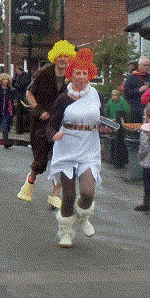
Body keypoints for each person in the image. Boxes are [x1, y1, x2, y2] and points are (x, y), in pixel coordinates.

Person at [47, 48, 102, 247]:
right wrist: (53, 135)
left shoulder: (95, 95)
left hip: (89, 148)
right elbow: (52, 124)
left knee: (87, 193)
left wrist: (104, 127)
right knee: (68, 196)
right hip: (67, 148)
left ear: (90, 75)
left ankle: (83, 216)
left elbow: (100, 118)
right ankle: (66, 232)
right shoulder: (63, 98)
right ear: (71, 74)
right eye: (77, 73)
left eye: (85, 73)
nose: (81, 77)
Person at [18, 41, 75, 207]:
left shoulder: (72, 77)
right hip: (42, 124)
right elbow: (29, 92)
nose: (63, 59)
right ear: (54, 57)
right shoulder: (44, 73)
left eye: (66, 56)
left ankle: (55, 195)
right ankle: (31, 178)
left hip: (62, 124)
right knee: (41, 160)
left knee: (60, 160)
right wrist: (38, 110)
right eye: (60, 56)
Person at [122, 57, 150, 123]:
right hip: (136, 109)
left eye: (148, 65)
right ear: (139, 66)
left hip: (148, 108)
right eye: (145, 65)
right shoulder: (132, 77)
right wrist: (138, 90)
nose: (147, 67)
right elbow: (126, 93)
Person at [0, 72, 17, 148]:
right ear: (1, 80)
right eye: (4, 79)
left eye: (7, 79)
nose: (5, 81)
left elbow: (12, 100)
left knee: (5, 126)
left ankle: (5, 142)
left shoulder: (10, 89)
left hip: (6, 111)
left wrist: (12, 111)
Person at [11, 65, 32, 134]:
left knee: (25, 112)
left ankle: (25, 127)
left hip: (23, 96)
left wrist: (16, 84)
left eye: (17, 71)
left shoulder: (25, 76)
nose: (16, 73)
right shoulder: (17, 77)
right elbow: (14, 85)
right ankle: (19, 129)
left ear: (21, 71)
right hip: (19, 96)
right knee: (18, 113)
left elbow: (21, 85)